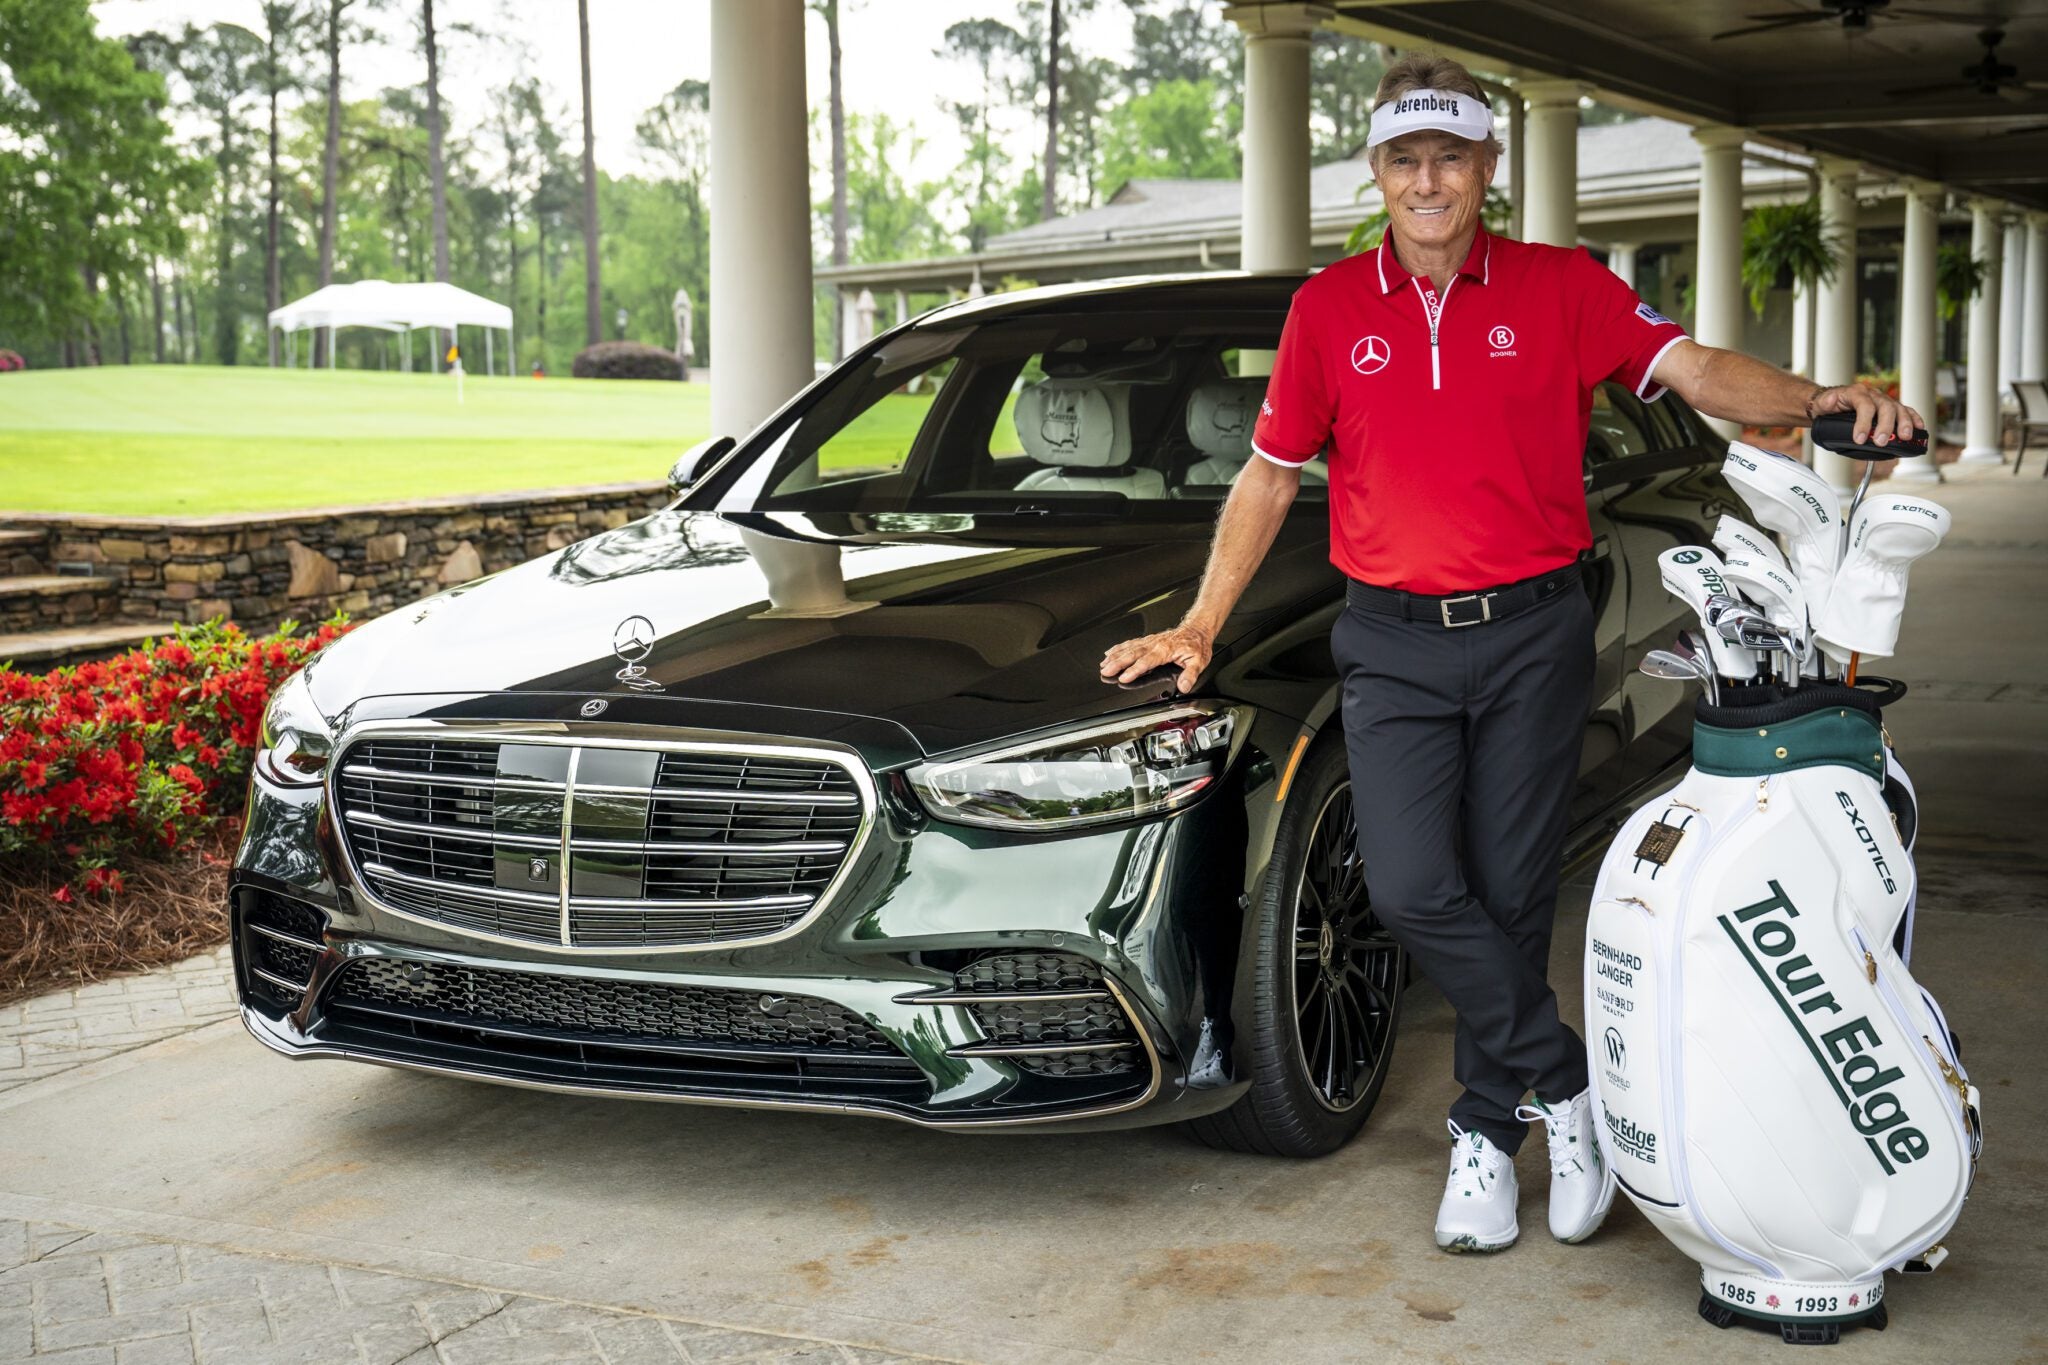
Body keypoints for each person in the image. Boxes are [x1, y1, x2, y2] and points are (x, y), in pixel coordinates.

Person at [1100, 53, 1921, 1255]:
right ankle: (1569, 1084)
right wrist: (1201, 621)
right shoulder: (1328, 310)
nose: (1425, 179)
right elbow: (1271, 472)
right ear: (1374, 173)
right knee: (1408, 888)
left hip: (1534, 633)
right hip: (1389, 639)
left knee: (1509, 890)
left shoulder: (1560, 287)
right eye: (1402, 159)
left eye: (1448, 157)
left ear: (1486, 167)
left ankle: (1485, 1134)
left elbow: (1693, 371)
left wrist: (1817, 399)